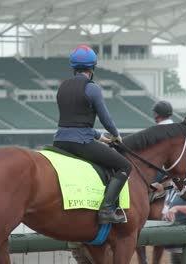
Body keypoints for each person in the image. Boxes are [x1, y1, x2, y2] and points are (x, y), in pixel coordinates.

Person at [53, 45, 132, 224]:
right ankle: (105, 211)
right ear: (92, 68)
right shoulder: (92, 88)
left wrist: (98, 136)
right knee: (125, 166)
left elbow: (73, 119)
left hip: (59, 140)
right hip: (80, 142)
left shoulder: (62, 87)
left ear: (74, 67)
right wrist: (115, 135)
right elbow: (106, 118)